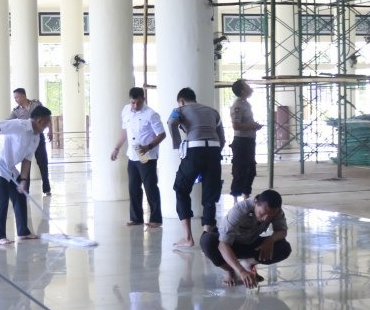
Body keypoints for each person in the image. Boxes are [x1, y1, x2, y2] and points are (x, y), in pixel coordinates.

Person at [0, 105, 53, 245]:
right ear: (40, 120)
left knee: (21, 196)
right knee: (2, 200)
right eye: (47, 123)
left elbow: (27, 160)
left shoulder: (36, 138)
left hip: (9, 168)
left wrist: (23, 180)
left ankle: (23, 232)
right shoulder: (19, 125)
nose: (47, 126)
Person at [168, 87, 226, 248]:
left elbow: (171, 122)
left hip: (194, 150)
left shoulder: (179, 109)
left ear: (181, 101)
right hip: (214, 151)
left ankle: (187, 238)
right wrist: (214, 152)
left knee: (181, 189)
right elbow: (223, 139)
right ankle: (207, 236)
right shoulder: (213, 111)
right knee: (210, 194)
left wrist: (178, 145)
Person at [200, 189, 291, 288]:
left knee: (284, 247)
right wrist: (241, 271)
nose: (266, 218)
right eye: (262, 213)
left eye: (270, 216)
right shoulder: (240, 210)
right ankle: (230, 270)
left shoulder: (276, 211)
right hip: (231, 244)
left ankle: (248, 263)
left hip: (251, 242)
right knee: (207, 241)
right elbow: (223, 244)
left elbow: (282, 231)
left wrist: (271, 240)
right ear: (256, 202)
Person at [111, 86, 166, 228]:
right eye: (133, 102)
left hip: (146, 154)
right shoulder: (126, 111)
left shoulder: (151, 114)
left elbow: (162, 134)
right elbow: (125, 132)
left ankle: (156, 219)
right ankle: (136, 218)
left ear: (144, 99)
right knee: (133, 187)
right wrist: (116, 148)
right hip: (132, 154)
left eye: (138, 102)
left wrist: (149, 146)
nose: (135, 105)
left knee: (150, 187)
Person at [10, 88, 51, 194]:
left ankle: (46, 188)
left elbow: (46, 116)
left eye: (17, 97)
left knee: (43, 163)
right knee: (26, 163)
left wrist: (50, 130)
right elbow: (8, 121)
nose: (15, 99)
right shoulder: (16, 111)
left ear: (23, 96)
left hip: (38, 136)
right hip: (25, 140)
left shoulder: (36, 105)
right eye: (14, 98)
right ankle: (26, 188)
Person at [228, 79, 263, 200]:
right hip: (241, 142)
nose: (250, 88)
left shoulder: (246, 104)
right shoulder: (238, 105)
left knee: (250, 170)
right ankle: (235, 201)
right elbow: (236, 126)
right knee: (240, 171)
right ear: (242, 91)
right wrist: (253, 126)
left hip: (249, 141)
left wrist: (254, 125)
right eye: (247, 86)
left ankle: (246, 198)